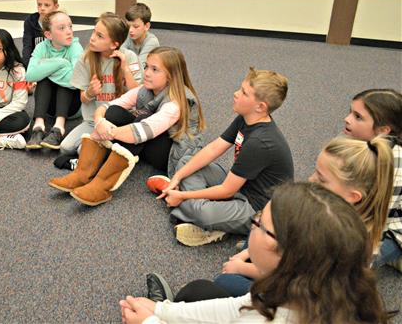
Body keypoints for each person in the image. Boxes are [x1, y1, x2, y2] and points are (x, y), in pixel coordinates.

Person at [121, 182, 389, 324]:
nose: (253, 223)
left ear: (287, 255)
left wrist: (151, 323)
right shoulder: (316, 285)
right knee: (196, 293)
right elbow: (236, 306)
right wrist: (163, 310)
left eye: (261, 223)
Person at [214, 135, 394, 296]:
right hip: (291, 268)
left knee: (224, 282)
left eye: (321, 179)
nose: (310, 179)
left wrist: (241, 266)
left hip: (301, 298)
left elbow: (290, 277)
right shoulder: (329, 211)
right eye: (315, 171)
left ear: (352, 196)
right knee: (262, 227)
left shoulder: (337, 240)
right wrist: (249, 252)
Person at [152, 68, 293, 246]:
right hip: (240, 185)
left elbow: (226, 190)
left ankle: (190, 209)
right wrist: (178, 177)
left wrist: (185, 196)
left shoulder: (261, 142)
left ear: (260, 107)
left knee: (204, 214)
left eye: (243, 93)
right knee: (187, 161)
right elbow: (213, 149)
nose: (235, 94)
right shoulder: (246, 118)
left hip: (257, 208)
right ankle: (185, 202)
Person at [49, 47, 205, 207]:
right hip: (146, 139)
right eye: (146, 66)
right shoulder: (145, 89)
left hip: (170, 153)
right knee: (114, 112)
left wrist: (106, 132)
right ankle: (83, 173)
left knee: (142, 120)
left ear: (171, 76)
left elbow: (143, 131)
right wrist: (100, 122)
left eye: (154, 69)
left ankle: (102, 185)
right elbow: (108, 106)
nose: (147, 73)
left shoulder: (177, 102)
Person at [59, 12, 142, 156]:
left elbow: (138, 96)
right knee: (66, 148)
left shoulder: (129, 57)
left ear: (114, 44)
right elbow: (83, 99)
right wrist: (90, 92)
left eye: (100, 36)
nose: (92, 38)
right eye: (94, 32)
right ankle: (108, 146)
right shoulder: (85, 59)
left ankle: (108, 145)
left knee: (83, 151)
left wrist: (125, 70)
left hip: (121, 120)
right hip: (94, 121)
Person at [343, 88, 402, 269]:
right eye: (350, 112)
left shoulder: (391, 165)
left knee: (345, 265)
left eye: (358, 117)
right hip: (361, 215)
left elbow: (376, 220)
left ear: (383, 131)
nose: (347, 118)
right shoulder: (358, 146)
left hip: (389, 230)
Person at [25, 11, 83, 150]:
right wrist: (62, 63)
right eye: (62, 28)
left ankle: (59, 127)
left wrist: (46, 66)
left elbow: (76, 79)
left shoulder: (75, 47)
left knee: (54, 80)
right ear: (48, 35)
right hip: (48, 108)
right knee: (44, 79)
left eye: (70, 26)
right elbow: (30, 75)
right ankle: (38, 126)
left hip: (72, 108)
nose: (69, 32)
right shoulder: (41, 47)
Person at [21, 0, 59, 66]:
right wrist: (28, 67)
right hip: (35, 64)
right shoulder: (30, 21)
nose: (42, 8)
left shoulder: (61, 22)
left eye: (47, 5)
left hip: (55, 64)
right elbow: (27, 47)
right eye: (39, 5)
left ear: (56, 7)